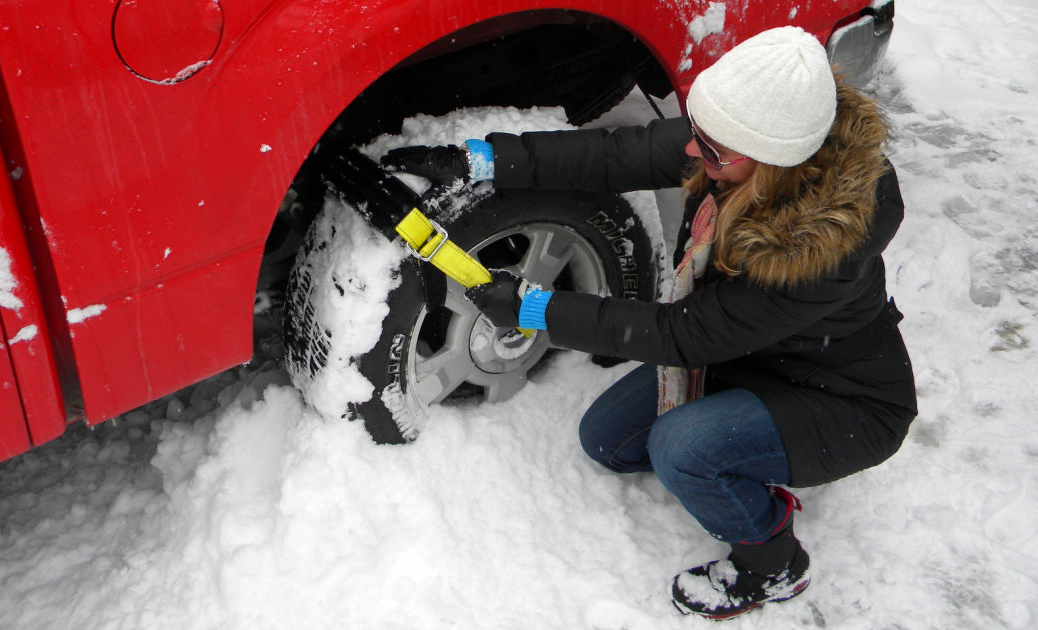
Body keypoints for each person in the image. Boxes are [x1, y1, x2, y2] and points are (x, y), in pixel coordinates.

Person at [381, 26, 917, 620]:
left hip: (839, 400)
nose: (693, 153)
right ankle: (739, 445)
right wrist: (483, 160)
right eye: (697, 134)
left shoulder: (818, 257)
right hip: (745, 353)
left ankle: (773, 560)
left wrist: (535, 309)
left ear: (773, 163)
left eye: (712, 151)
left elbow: (677, 335)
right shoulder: (736, 144)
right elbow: (619, 156)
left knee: (680, 449)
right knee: (608, 443)